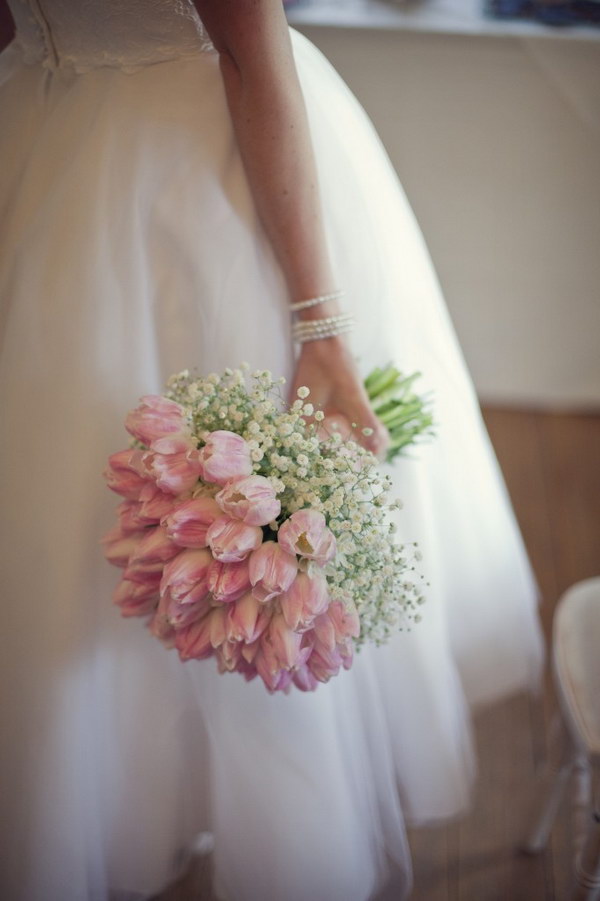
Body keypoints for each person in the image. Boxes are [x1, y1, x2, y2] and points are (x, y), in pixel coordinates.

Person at [0, 2, 544, 899]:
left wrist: (317, 324)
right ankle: (134, 788)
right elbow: (253, 45)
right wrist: (323, 325)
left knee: (227, 522)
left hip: (183, 169)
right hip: (118, 154)